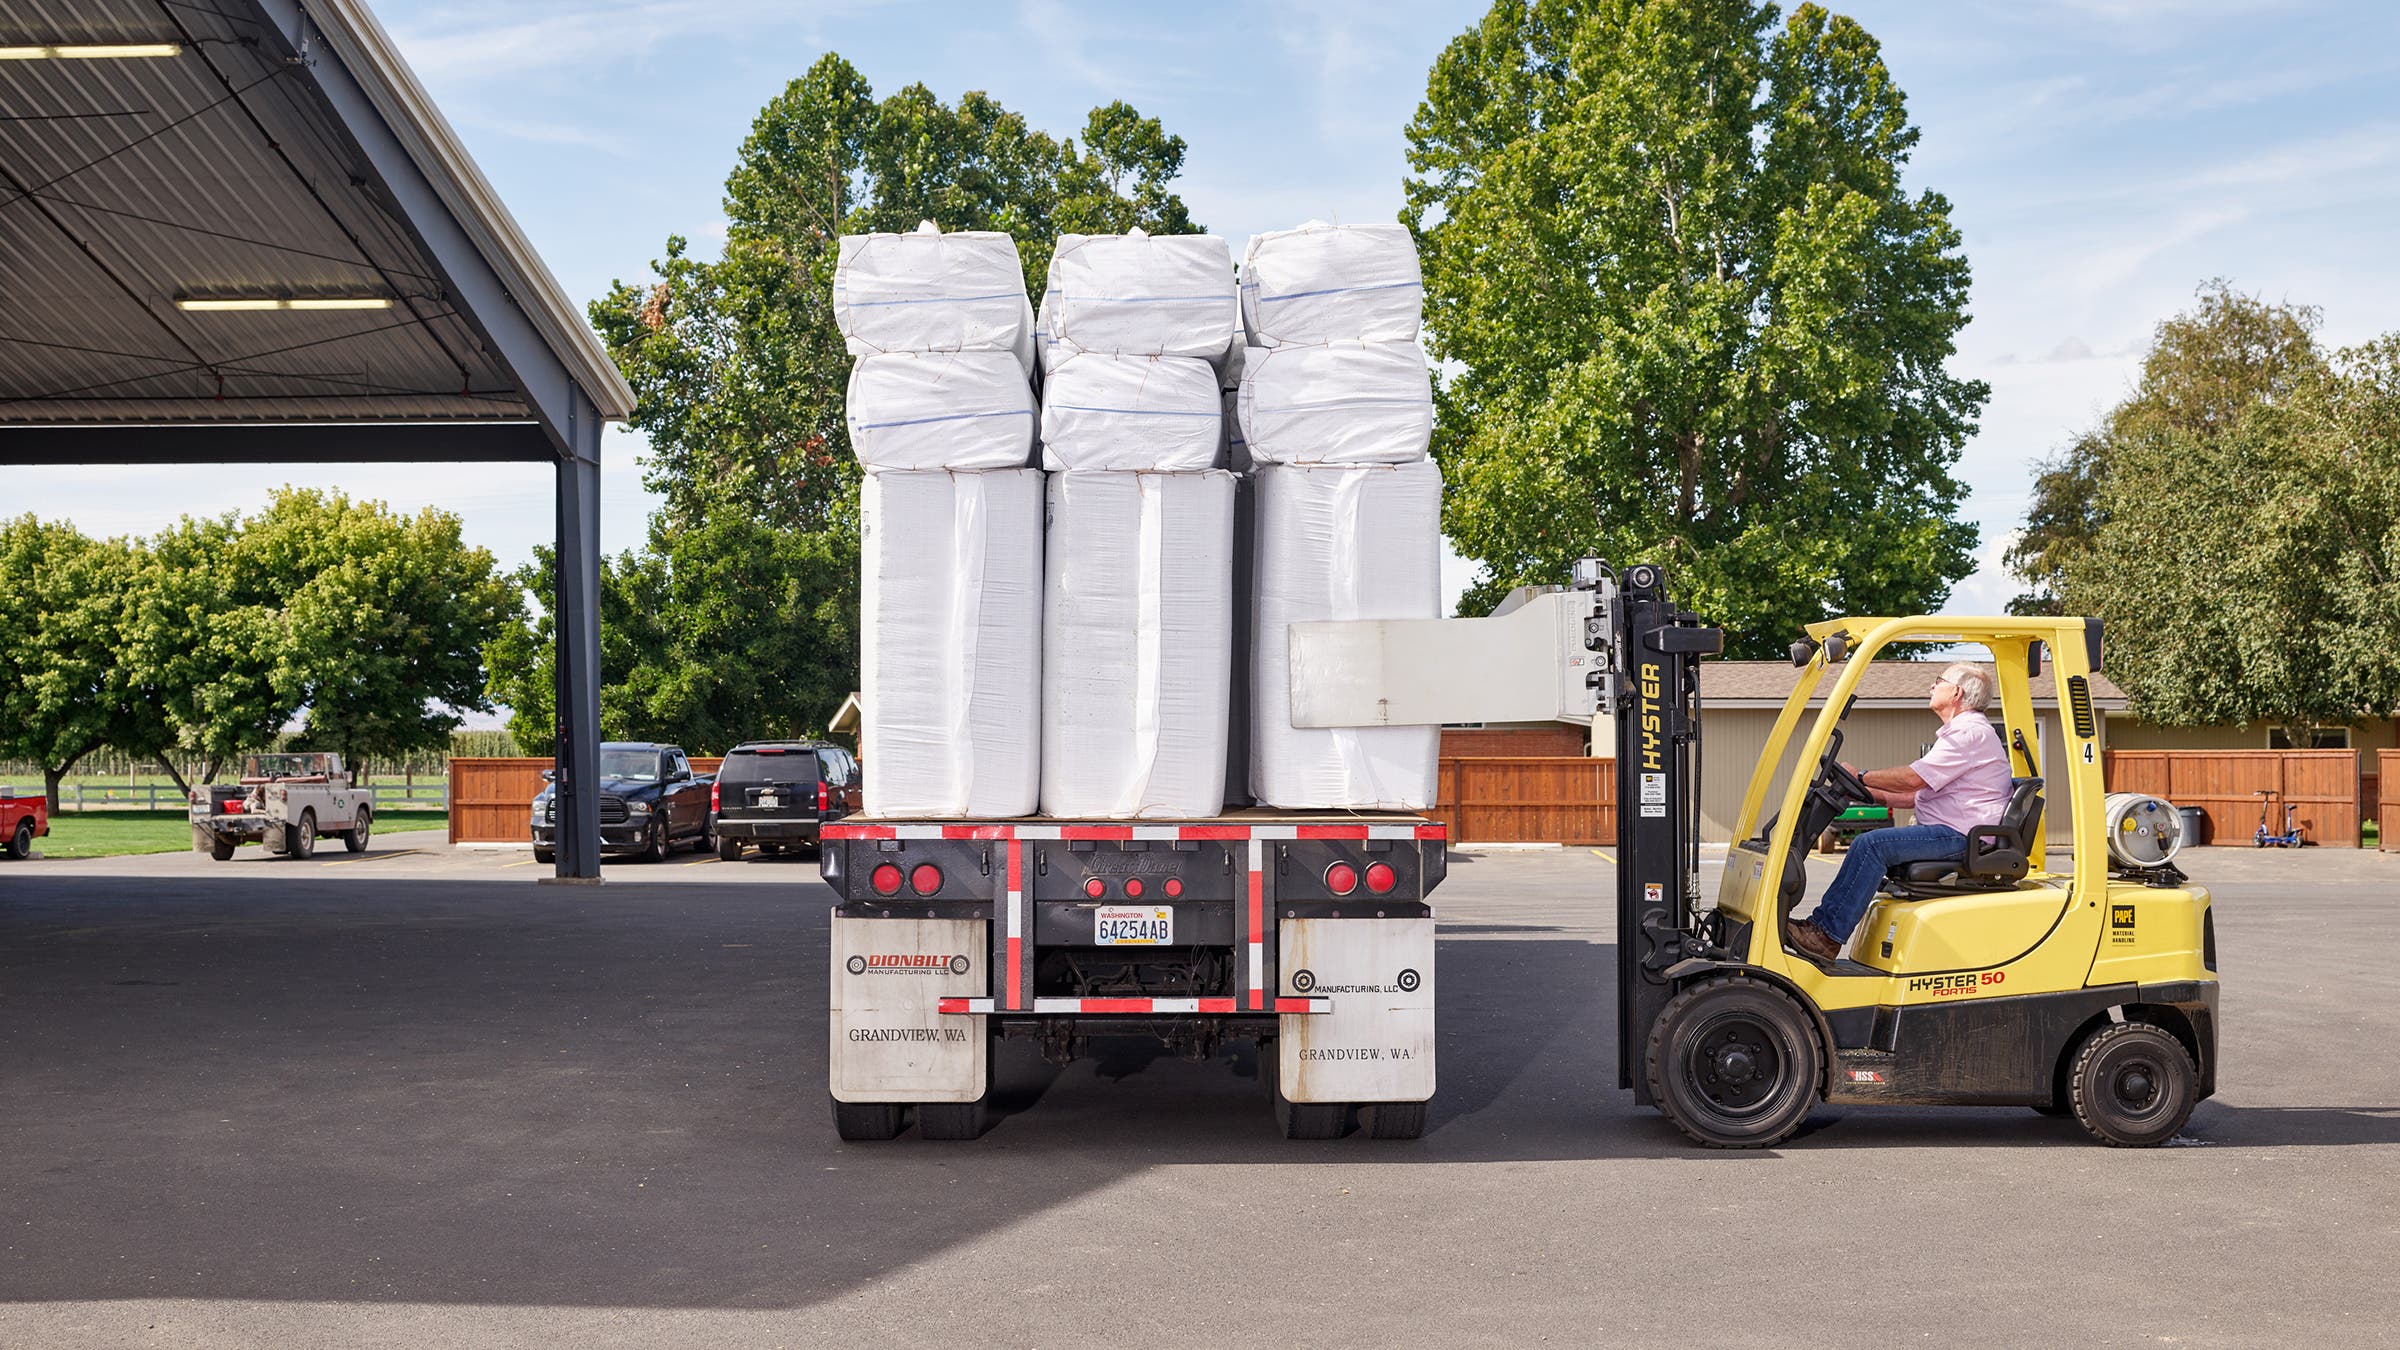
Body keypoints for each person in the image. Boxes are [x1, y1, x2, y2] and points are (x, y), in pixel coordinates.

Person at [1785, 662, 2015, 962]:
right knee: (1871, 843)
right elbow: (1915, 794)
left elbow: (1912, 779)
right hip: (1955, 830)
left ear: (1956, 692)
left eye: (1938, 681)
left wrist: (1862, 776)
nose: (1931, 686)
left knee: (1871, 845)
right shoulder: (1962, 733)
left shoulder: (1969, 734)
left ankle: (1826, 935)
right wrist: (1865, 792)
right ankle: (1821, 928)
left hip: (1963, 837)